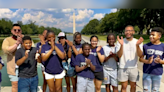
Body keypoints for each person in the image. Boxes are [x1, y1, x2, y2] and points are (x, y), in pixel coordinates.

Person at [116, 25, 143, 92]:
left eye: (130, 30)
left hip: (134, 67)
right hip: (122, 67)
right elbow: (119, 55)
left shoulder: (137, 42)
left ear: (133, 32)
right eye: (126, 31)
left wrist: (137, 45)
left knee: (133, 86)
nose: (128, 32)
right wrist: (122, 45)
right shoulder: (120, 42)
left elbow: (140, 55)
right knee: (123, 87)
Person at [139, 27, 164, 92]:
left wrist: (160, 61)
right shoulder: (146, 46)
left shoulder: (163, 46)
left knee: (155, 90)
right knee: (146, 90)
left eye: (153, 35)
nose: (150, 36)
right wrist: (147, 61)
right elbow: (140, 59)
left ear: (159, 36)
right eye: (150, 34)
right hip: (146, 72)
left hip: (157, 73)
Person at [2, 23, 23, 92]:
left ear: (21, 31)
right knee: (15, 84)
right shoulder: (7, 40)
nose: (17, 31)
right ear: (11, 31)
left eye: (18, 30)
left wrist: (22, 42)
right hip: (13, 67)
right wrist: (17, 43)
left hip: (25, 67)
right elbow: (6, 50)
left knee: (25, 85)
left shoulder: (26, 39)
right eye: (15, 30)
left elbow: (32, 49)